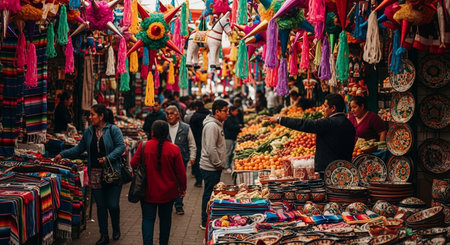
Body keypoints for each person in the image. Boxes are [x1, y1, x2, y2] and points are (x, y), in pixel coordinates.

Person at [55, 104, 125, 245]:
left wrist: (108, 158)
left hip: (112, 173)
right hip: (95, 173)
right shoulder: (89, 132)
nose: (90, 117)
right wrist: (62, 154)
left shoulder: (113, 129)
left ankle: (116, 228)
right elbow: (79, 149)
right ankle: (104, 235)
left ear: (101, 116)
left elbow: (121, 146)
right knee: (100, 206)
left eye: (92, 114)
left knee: (112, 205)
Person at [130, 120, 187, 245]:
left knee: (148, 220)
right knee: (165, 221)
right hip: (168, 193)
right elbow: (181, 173)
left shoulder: (144, 146)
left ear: (152, 132)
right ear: (167, 133)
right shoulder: (174, 149)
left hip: (147, 191)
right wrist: (182, 188)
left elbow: (133, 163)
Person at [268, 94, 356, 173]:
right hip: (345, 170)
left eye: (325, 106)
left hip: (328, 171)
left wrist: (280, 120)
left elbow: (304, 124)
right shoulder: (349, 124)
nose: (323, 109)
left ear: (333, 108)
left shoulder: (328, 123)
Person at [199, 100, 228, 229]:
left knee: (211, 193)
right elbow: (211, 148)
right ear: (217, 112)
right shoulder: (212, 126)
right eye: (225, 111)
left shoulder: (218, 124)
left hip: (214, 166)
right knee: (208, 194)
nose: (227, 113)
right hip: (210, 167)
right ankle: (205, 221)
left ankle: (209, 219)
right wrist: (217, 163)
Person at [165, 105, 196, 215]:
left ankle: (179, 205)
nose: (169, 116)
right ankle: (167, 203)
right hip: (166, 160)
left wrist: (192, 157)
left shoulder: (186, 127)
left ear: (178, 115)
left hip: (181, 159)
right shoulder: (164, 127)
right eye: (167, 114)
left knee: (179, 182)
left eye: (172, 113)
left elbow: (192, 144)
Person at [189, 101, 211, 187]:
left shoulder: (194, 117)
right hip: (208, 140)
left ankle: (198, 181)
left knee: (198, 160)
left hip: (197, 142)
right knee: (208, 159)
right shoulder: (209, 115)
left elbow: (192, 131)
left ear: (197, 107)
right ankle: (207, 180)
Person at [224, 106, 243, 173]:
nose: (237, 112)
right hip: (228, 137)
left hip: (231, 137)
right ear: (231, 111)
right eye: (236, 111)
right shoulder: (228, 118)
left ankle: (229, 166)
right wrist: (239, 127)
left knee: (230, 152)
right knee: (228, 152)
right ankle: (226, 167)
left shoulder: (232, 117)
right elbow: (230, 127)